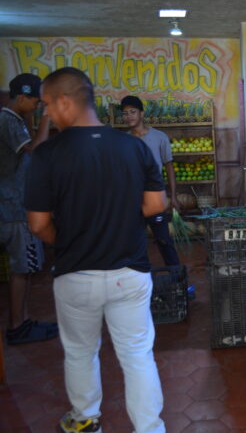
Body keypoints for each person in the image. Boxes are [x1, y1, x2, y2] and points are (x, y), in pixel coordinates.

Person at [25, 67, 166, 433]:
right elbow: (154, 206)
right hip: (130, 273)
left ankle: (86, 420)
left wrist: (71, 239)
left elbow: (38, 225)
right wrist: (119, 222)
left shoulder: (47, 155)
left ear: (66, 102)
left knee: (80, 352)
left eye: (48, 105)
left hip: (76, 274)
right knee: (137, 356)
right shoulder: (133, 147)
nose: (47, 114)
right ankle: (150, 429)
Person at [0, 73, 57, 344]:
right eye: (36, 102)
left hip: (15, 206)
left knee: (24, 268)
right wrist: (46, 118)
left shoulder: (15, 121)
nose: (37, 106)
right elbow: (37, 149)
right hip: (14, 210)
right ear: (22, 97)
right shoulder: (8, 121)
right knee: (21, 269)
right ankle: (17, 327)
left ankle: (22, 320)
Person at [120, 95, 180, 266]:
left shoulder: (160, 137)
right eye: (125, 113)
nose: (128, 116)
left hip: (155, 197)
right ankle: (140, 280)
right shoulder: (123, 141)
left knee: (164, 240)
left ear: (141, 113)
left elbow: (169, 167)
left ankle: (176, 279)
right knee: (134, 243)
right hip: (132, 199)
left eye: (133, 112)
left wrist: (173, 196)